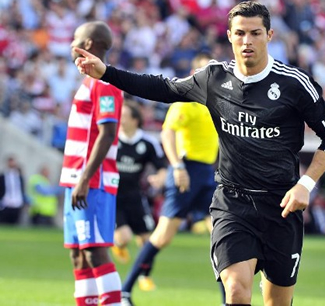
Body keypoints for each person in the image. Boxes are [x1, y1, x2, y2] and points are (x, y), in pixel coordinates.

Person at [74, 1, 325, 306]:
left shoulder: (294, 84)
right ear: (229, 36)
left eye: (255, 33)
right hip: (233, 202)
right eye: (240, 33)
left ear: (269, 35)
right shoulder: (214, 78)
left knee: (277, 302)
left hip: (281, 206)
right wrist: (107, 72)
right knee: (237, 290)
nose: (247, 41)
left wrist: (305, 184)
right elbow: (164, 88)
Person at [119, 52, 226, 305]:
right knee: (163, 236)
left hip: (208, 174)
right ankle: (125, 291)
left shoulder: (216, 102)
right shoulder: (186, 101)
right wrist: (177, 167)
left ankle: (227, 299)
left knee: (221, 236)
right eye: (205, 68)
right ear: (195, 72)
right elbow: (167, 134)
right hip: (187, 172)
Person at [60, 21, 124, 306]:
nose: (71, 43)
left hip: (93, 181)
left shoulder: (105, 82)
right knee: (78, 253)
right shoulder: (89, 82)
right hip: (74, 178)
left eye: (76, 38)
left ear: (87, 45)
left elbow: (108, 133)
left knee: (95, 249)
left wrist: (85, 179)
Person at [112, 99, 167, 292]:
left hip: (136, 195)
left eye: (124, 116)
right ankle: (118, 244)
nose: (120, 119)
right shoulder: (111, 138)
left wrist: (160, 178)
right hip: (114, 196)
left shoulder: (147, 142)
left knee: (147, 239)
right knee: (125, 237)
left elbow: (162, 166)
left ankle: (145, 276)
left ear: (135, 120)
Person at [0, 156, 28, 225]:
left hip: (17, 203)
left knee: (15, 225)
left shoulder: (19, 176)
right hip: (6, 202)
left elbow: (22, 189)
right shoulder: (3, 176)